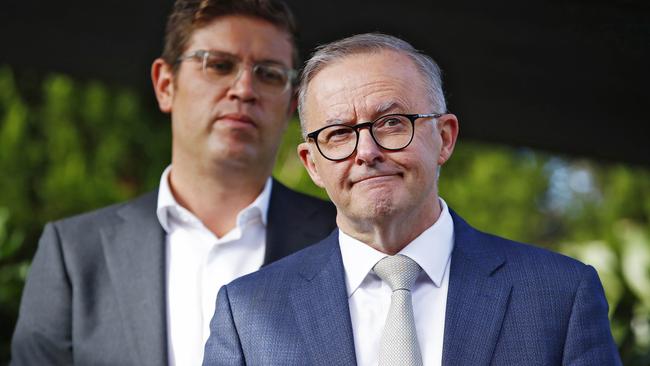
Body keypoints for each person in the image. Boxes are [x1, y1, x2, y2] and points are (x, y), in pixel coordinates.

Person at [202, 33, 621, 365]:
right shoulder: (248, 315)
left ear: (445, 137)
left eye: (390, 123)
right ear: (312, 164)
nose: (366, 151)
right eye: (339, 134)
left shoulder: (559, 296)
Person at [11, 0, 336, 365]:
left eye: (270, 73)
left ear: (291, 104)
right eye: (219, 65)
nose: (244, 88)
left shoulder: (342, 238)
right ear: (165, 84)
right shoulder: (74, 254)